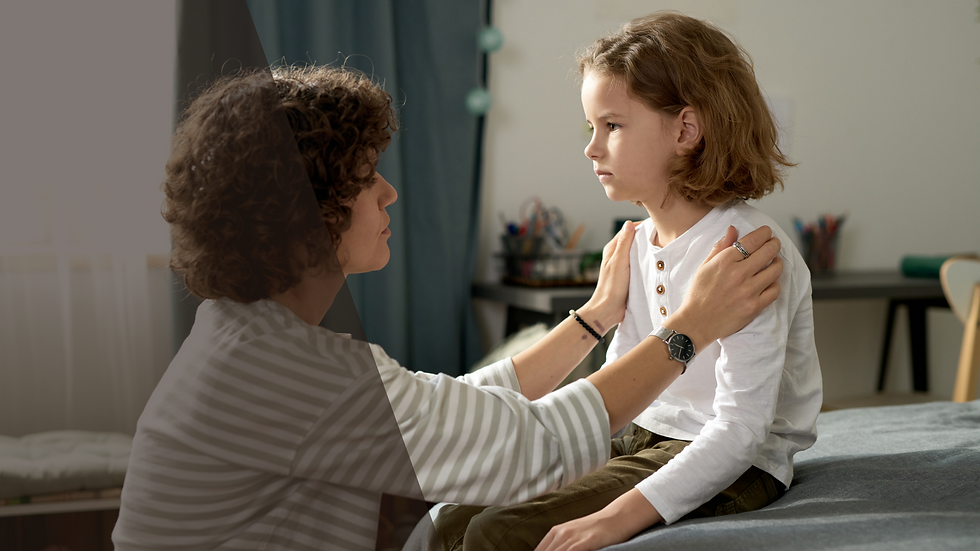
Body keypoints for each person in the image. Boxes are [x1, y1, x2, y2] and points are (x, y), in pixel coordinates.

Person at [111, 65, 783, 551]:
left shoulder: (246, 335)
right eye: (367, 175)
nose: (390, 192)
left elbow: (449, 410)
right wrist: (689, 330)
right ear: (306, 214)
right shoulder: (281, 370)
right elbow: (526, 446)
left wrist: (593, 319)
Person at [435, 11, 823, 551]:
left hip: (737, 459)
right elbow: (625, 383)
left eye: (612, 126)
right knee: (450, 518)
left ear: (686, 129)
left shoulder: (745, 250)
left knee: (497, 533)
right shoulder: (634, 243)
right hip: (644, 438)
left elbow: (741, 429)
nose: (592, 148)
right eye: (591, 127)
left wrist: (613, 519)